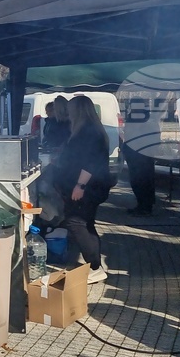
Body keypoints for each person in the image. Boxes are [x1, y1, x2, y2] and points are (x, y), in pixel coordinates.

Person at [53, 95, 111, 285]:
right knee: (87, 224)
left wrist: (80, 186)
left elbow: (90, 163)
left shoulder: (88, 132)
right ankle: (96, 265)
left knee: (76, 223)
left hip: (87, 187)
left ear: (78, 110)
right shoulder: (88, 129)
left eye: (70, 109)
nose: (68, 113)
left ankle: (95, 267)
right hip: (88, 186)